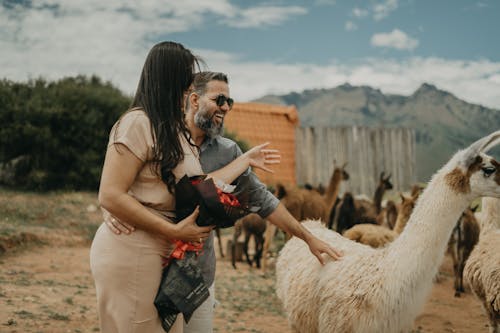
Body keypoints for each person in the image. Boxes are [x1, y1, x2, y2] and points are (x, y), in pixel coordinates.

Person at [106, 71, 344, 332]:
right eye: (219, 100)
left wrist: (308, 238)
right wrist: (113, 210)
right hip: (149, 266)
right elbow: (124, 185)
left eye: (229, 102)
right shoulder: (161, 138)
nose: (225, 108)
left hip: (195, 276)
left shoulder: (228, 152)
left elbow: (263, 201)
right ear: (194, 99)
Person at [89, 43, 282, 333]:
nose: (189, 87)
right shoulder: (137, 123)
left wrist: (238, 177)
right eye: (185, 78)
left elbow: (197, 186)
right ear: (169, 79)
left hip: (166, 253)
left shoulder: (174, 130)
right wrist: (172, 231)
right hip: (135, 251)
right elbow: (110, 194)